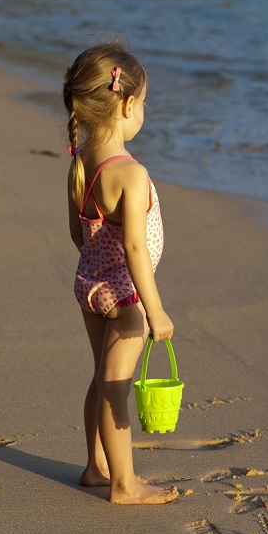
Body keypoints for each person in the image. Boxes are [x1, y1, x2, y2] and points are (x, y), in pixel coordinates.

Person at [63, 40, 179, 504]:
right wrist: (155, 310)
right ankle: (124, 484)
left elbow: (78, 232)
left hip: (89, 282)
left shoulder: (80, 161)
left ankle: (96, 467)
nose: (143, 110)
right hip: (125, 296)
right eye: (144, 103)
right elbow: (133, 246)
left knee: (100, 377)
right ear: (128, 104)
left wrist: (98, 267)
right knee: (116, 388)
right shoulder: (130, 173)